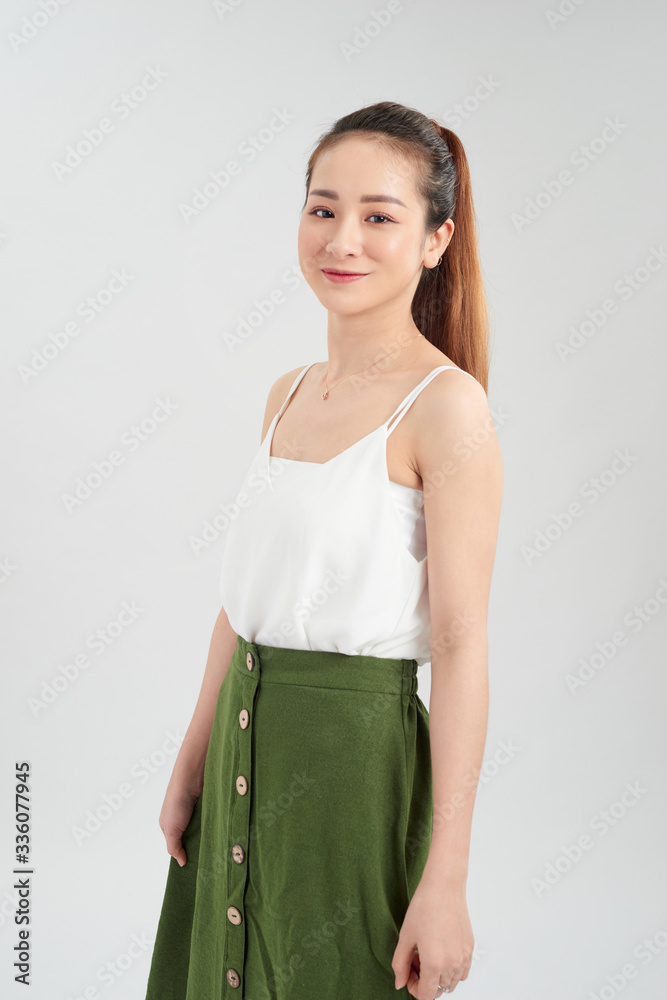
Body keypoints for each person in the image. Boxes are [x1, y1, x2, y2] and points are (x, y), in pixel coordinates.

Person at [144, 100, 503, 1000]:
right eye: (321, 208)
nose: (342, 237)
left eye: (379, 216)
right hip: (240, 737)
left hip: (350, 768)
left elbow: (460, 646)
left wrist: (447, 881)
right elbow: (244, 600)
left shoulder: (445, 407)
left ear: (434, 239)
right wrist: (191, 760)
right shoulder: (285, 393)